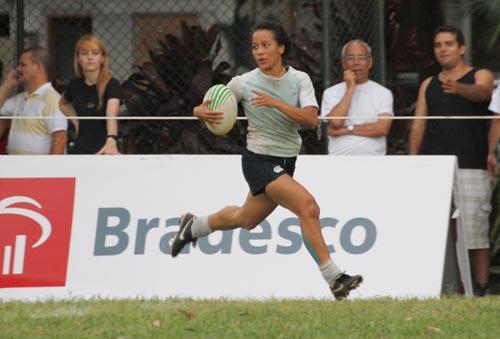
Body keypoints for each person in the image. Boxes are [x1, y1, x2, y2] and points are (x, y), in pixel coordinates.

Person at [170, 22, 362, 300]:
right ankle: (334, 277)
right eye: (255, 47)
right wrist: (200, 111)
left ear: (281, 48)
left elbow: (310, 120)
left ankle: (193, 226)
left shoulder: (299, 80)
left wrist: (276, 103)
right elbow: (206, 105)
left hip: (286, 161)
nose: (259, 52)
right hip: (258, 160)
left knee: (246, 219)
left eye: (265, 45)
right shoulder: (243, 82)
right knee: (308, 207)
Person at [408, 25, 495, 296]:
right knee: (437, 231)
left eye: (448, 43)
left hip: (471, 164)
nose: (442, 49)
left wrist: (460, 89)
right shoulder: (428, 84)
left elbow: (484, 93)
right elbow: (419, 124)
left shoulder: (479, 74)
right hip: (434, 168)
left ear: (461, 48)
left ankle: (480, 288)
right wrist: (413, 158)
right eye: (438, 45)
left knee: (475, 232)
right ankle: (445, 287)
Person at [320, 39, 393, 155]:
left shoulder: (383, 93)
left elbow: (382, 128)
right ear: (344, 63)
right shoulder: (331, 93)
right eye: (350, 58)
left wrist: (346, 130)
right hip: (339, 161)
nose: (356, 63)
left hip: (374, 162)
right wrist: (350, 89)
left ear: (370, 63)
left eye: (361, 58)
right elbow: (336, 122)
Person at [59, 35, 123, 154]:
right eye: (84, 53)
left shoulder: (112, 84)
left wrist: (111, 140)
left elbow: (111, 115)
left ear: (102, 58)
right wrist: (76, 121)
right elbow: (62, 103)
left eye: (95, 53)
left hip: (105, 150)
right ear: (78, 58)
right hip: (80, 150)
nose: (90, 57)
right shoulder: (74, 84)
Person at [0, 48, 67, 154]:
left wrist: (53, 169)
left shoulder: (52, 99)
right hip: (16, 167)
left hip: (38, 169)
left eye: (23, 65)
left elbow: (60, 138)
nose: (18, 69)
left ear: (39, 66)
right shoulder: (20, 98)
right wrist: (8, 84)